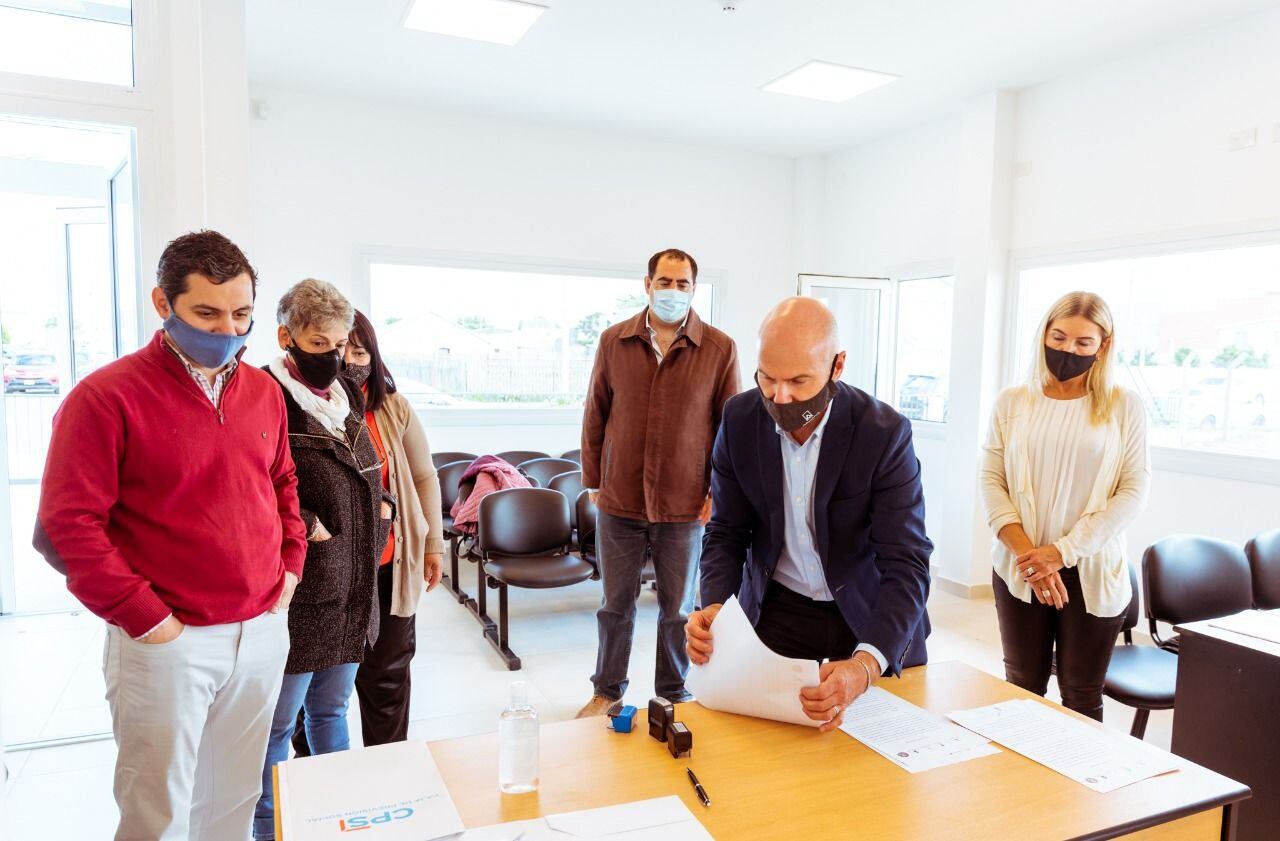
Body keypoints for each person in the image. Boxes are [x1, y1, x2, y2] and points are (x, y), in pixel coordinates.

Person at [34, 230, 305, 841]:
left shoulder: (263, 391)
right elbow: (65, 527)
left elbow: (283, 481)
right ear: (164, 304)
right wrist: (146, 617)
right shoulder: (104, 397)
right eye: (206, 313)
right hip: (166, 639)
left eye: (241, 315)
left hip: (261, 627)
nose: (226, 330)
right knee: (157, 808)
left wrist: (290, 566)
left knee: (235, 796)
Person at [685, 297, 932, 733]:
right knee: (772, 755)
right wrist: (717, 611)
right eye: (768, 378)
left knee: (874, 772)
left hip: (868, 616)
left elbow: (906, 562)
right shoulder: (740, 419)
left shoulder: (884, 433)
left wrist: (866, 666)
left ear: (837, 366)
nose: (781, 397)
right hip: (778, 612)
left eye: (799, 381)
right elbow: (726, 533)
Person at [253, 281, 392, 841]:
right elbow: (253, 480)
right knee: (277, 726)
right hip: (303, 587)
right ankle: (270, 828)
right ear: (287, 337)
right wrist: (306, 521)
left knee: (332, 712)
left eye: (340, 343)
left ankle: (343, 821)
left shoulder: (345, 395)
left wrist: (383, 508)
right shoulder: (265, 394)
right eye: (318, 341)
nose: (333, 356)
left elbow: (365, 469)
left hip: (354, 582)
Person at [576, 248, 740, 717]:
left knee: (678, 610)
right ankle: (607, 690)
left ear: (694, 288)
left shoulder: (719, 348)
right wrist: (593, 480)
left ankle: (673, 691)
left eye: (683, 284)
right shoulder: (614, 341)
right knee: (615, 607)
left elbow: (728, 429)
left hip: (684, 503)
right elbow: (595, 415)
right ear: (647, 284)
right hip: (619, 498)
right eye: (664, 282)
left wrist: (718, 492)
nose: (673, 291)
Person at [980, 291, 1149, 721]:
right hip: (1021, 570)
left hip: (1089, 572)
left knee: (1081, 696)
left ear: (1103, 345)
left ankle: (1078, 787)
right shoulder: (1013, 402)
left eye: (1082, 343)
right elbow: (991, 480)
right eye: (1058, 338)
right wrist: (1030, 558)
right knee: (1022, 687)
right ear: (1043, 336)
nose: (1067, 351)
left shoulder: (1123, 407)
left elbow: (1133, 491)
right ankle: (1022, 786)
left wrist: (1061, 554)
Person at [290, 310, 444, 755]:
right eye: (338, 349)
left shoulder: (392, 408)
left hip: (387, 566)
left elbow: (423, 477)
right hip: (327, 573)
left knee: (387, 677)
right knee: (316, 687)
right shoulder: (297, 406)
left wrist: (432, 543)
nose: (348, 360)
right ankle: (313, 779)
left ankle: (390, 768)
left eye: (359, 350)